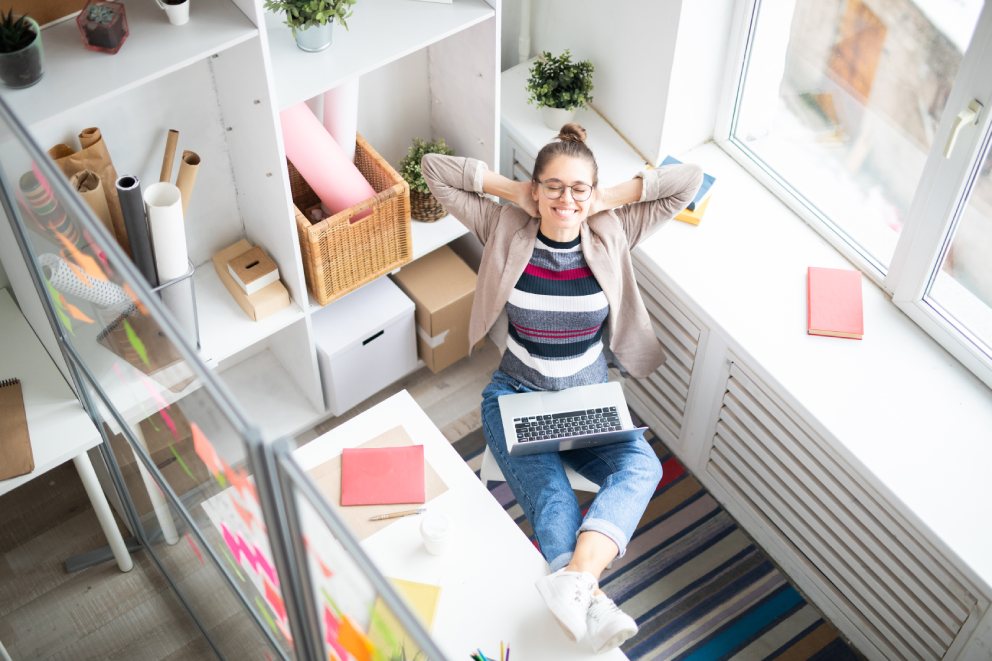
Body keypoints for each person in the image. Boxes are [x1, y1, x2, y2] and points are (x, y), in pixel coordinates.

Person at [421, 124, 702, 653]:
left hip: (586, 398)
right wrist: (515, 191)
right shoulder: (505, 224)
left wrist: (603, 197)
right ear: (535, 189)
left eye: (578, 188)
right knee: (552, 499)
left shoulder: (613, 228)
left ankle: (575, 584)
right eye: (552, 186)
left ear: (593, 193)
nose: (565, 199)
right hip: (515, 396)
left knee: (643, 465)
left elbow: (689, 181)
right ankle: (589, 598)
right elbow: (435, 170)